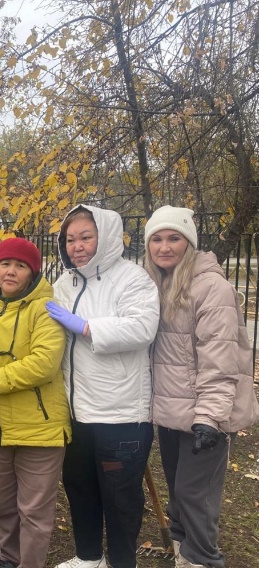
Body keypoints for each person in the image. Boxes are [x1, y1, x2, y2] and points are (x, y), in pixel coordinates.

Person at [144, 206, 259, 568]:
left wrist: (209, 418)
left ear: (189, 243)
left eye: (174, 238)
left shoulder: (211, 287)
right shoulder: (157, 284)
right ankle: (184, 554)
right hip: (173, 411)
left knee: (195, 495)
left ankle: (204, 559)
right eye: (156, 239)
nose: (164, 247)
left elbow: (221, 358)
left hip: (207, 413)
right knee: (179, 492)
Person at [48, 205, 160, 568]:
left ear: (106, 237)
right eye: (70, 239)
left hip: (121, 414)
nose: (77, 246)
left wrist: (86, 327)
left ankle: (122, 562)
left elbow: (142, 328)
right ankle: (89, 557)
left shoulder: (132, 278)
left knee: (120, 498)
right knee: (80, 486)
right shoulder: (64, 283)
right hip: (77, 411)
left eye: (86, 237)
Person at [0, 237, 71, 568]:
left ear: (32, 273)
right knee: (3, 505)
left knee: (33, 512)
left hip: (40, 429)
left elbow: (45, 364)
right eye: (5, 264)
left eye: (20, 266)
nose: (11, 271)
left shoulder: (45, 310)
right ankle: (9, 558)